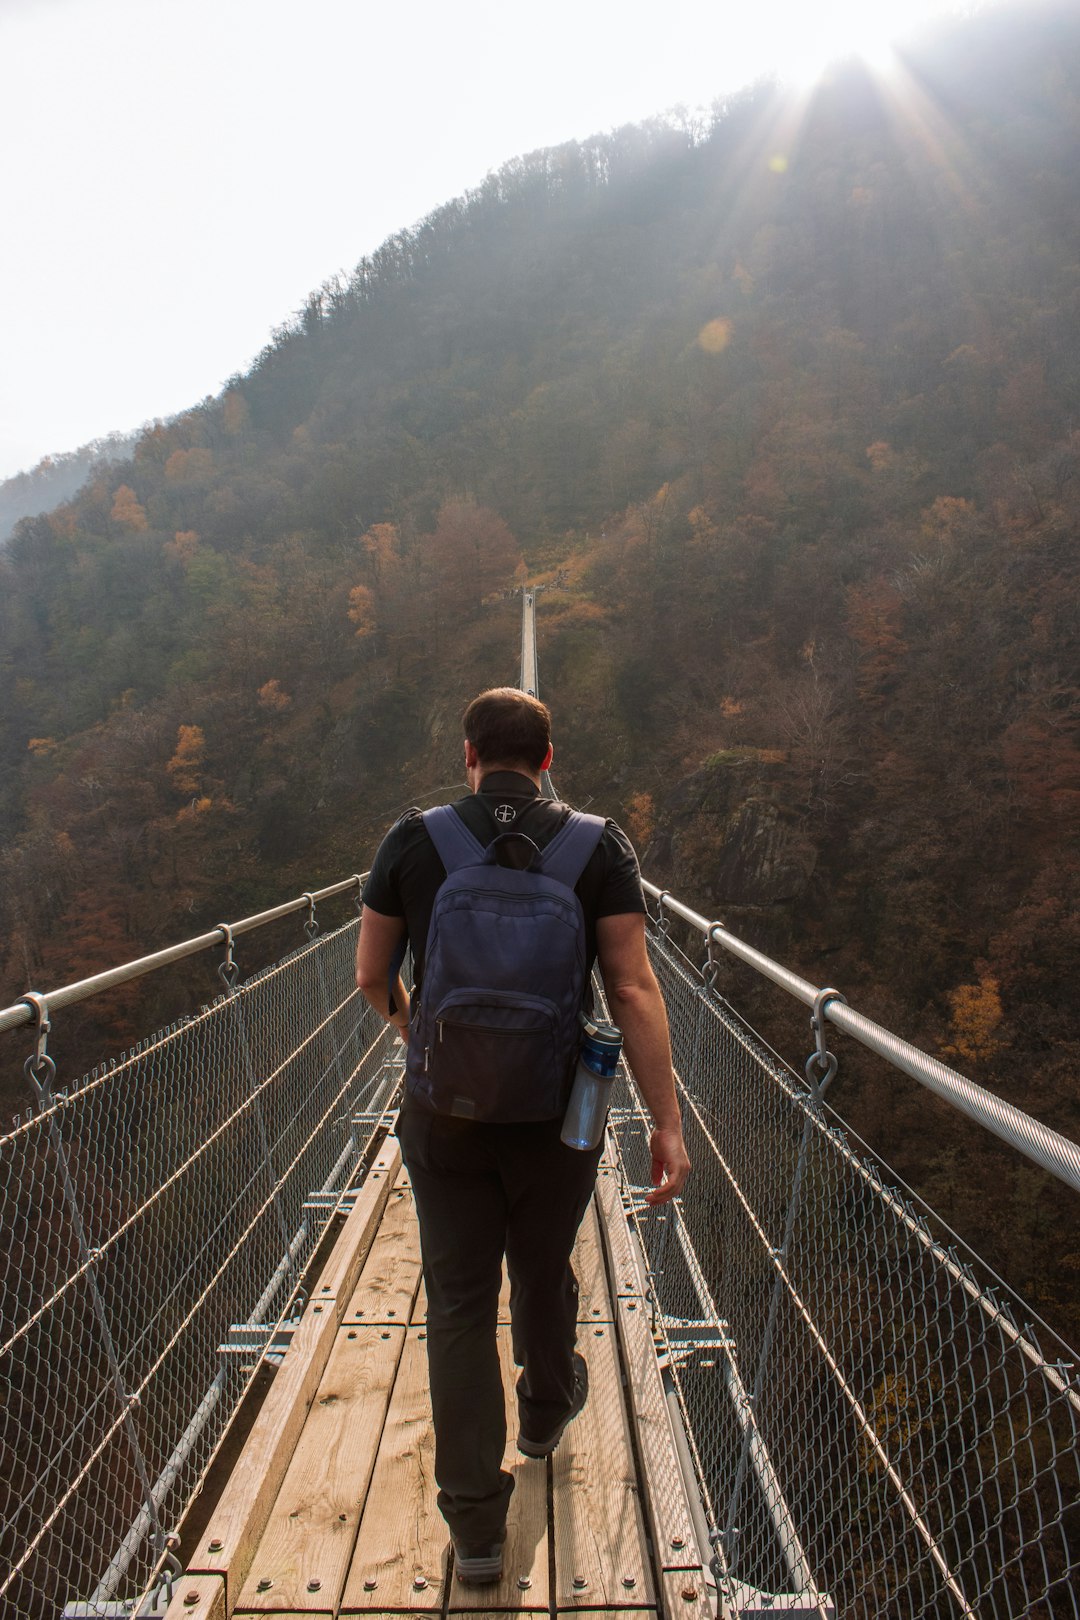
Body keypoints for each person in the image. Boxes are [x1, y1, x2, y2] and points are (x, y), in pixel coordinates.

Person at [355, 687, 690, 1583]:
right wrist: (665, 1120)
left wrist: (424, 1036)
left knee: (459, 1304)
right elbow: (632, 989)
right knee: (542, 1269)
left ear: (469, 755)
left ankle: (473, 1526)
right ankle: (545, 1409)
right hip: (557, 1116)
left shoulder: (413, 840)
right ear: (549, 759)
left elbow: (370, 976)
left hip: (444, 1115)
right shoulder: (598, 846)